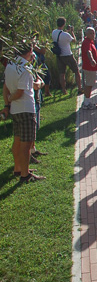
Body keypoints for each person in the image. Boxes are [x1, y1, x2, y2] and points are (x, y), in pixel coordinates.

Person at [3, 41, 45, 182]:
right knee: (26, 144)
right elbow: (21, 92)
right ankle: (25, 174)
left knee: (17, 140)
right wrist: (11, 97)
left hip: (15, 110)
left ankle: (18, 168)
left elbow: (6, 87)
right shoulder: (25, 68)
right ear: (28, 52)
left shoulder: (10, 64)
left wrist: (8, 102)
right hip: (26, 108)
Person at [52, 17, 83, 95]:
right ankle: (79, 88)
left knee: (61, 73)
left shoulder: (54, 32)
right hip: (68, 55)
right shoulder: (66, 35)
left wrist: (67, 32)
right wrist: (72, 32)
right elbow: (74, 40)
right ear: (64, 24)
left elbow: (61, 35)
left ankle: (64, 90)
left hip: (59, 56)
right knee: (76, 71)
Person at [80, 27, 97, 110]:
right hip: (89, 67)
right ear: (86, 34)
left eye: (93, 33)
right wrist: (92, 60)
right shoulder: (87, 42)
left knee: (89, 84)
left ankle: (86, 101)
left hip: (91, 68)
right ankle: (86, 103)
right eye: (90, 33)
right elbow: (89, 52)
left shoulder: (90, 41)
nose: (92, 35)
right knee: (89, 85)